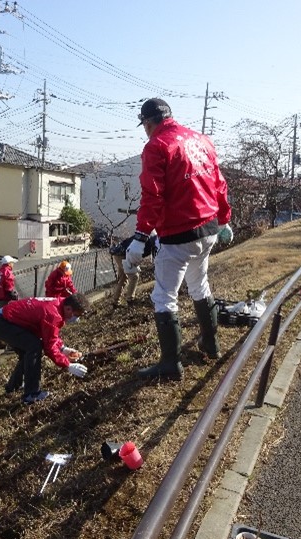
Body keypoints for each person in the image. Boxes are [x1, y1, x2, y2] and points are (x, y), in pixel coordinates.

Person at [126, 98, 233, 381]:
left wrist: (140, 237)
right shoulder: (201, 140)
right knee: (199, 285)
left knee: (164, 297)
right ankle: (211, 345)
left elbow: (152, 195)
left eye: (144, 125)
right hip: (208, 227)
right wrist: (224, 218)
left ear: (148, 122)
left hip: (178, 234)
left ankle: (170, 365)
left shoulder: (157, 146)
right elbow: (219, 183)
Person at [0, 293, 90, 404]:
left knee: (27, 352)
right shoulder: (53, 314)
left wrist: (63, 348)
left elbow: (49, 335)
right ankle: (31, 394)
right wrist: (67, 365)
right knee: (34, 347)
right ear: (69, 308)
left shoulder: (59, 304)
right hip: (3, 323)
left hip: (6, 319)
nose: (76, 319)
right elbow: (49, 347)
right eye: (76, 315)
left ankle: (13, 386)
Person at [109, 233, 157, 307]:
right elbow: (135, 254)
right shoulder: (151, 242)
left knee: (123, 278)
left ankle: (115, 301)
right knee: (134, 276)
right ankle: (130, 299)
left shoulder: (149, 237)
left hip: (120, 253)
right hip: (124, 255)